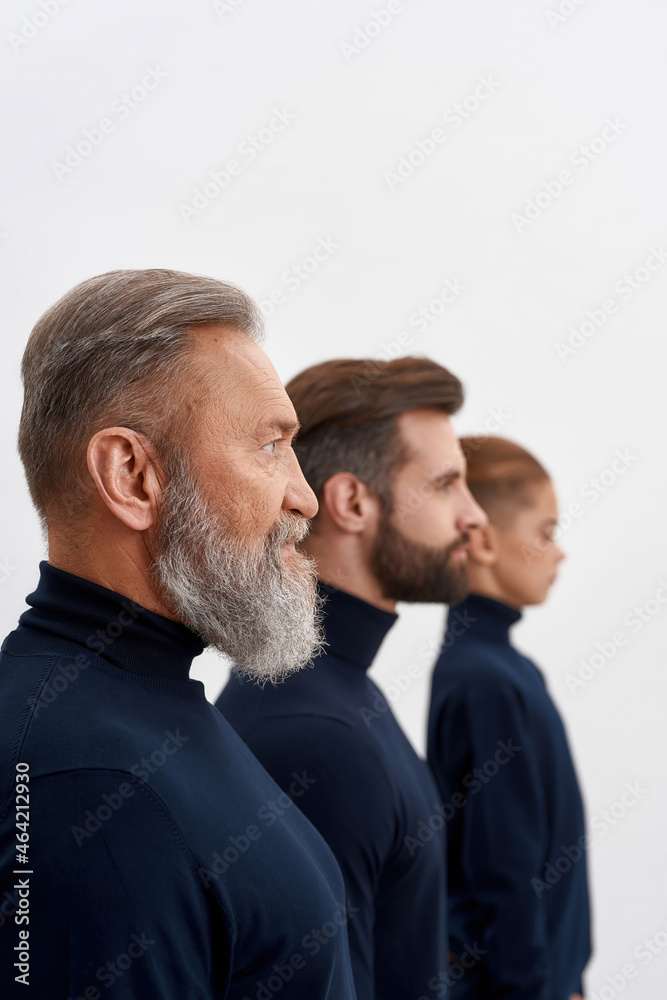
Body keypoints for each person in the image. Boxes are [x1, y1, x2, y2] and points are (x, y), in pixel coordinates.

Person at [0, 269, 357, 999]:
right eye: (268, 446)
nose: (304, 496)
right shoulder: (92, 789)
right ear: (131, 476)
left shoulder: (147, 712)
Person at [217, 356, 488, 1000]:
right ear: (352, 501)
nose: (474, 517)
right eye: (448, 484)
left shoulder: (337, 698)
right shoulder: (317, 736)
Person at [427, 435, 591, 1000]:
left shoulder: (501, 669)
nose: (560, 551)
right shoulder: (485, 681)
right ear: (483, 540)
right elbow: (504, 868)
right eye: (545, 532)